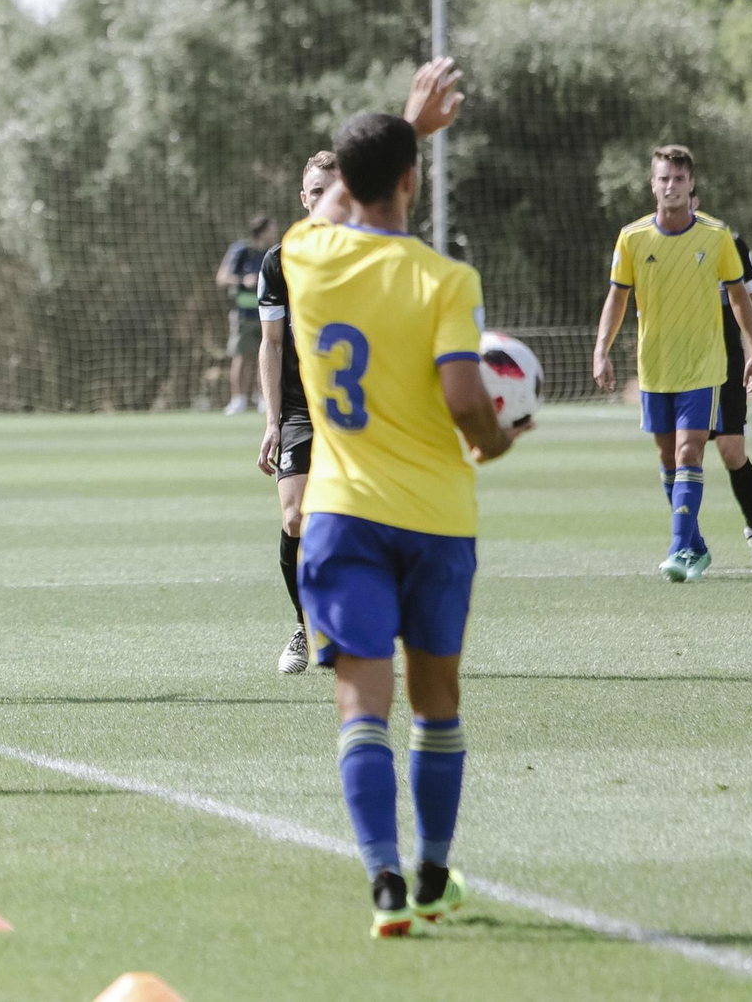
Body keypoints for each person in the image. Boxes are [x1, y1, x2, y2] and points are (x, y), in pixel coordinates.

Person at [282, 58, 528, 937]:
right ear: (414, 182)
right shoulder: (444, 279)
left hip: (342, 512)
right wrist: (498, 442)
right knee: (437, 703)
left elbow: (341, 204)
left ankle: (382, 879)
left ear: (340, 180)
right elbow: (467, 398)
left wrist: (405, 129)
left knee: (361, 703)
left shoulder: (303, 257)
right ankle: (431, 874)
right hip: (435, 517)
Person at [593, 146, 752, 582]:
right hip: (655, 367)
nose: (671, 186)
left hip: (704, 366)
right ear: (653, 185)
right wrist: (601, 349)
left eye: (679, 179)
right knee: (669, 458)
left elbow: (742, 298)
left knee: (697, 451)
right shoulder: (631, 238)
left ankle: (681, 548)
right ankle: (697, 545)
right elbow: (617, 297)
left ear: (691, 186)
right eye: (663, 179)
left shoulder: (718, 236)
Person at [256, 150, 339, 674]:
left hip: (358, 408)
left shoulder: (367, 256)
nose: (323, 198)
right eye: (315, 190)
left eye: (334, 189)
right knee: (295, 517)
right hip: (298, 408)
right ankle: (305, 626)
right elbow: (271, 344)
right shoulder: (279, 259)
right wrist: (270, 420)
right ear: (302, 197)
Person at [689, 194, 752, 563]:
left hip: (726, 361)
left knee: (732, 451)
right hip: (678, 364)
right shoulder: (651, 243)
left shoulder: (728, 242)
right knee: (687, 451)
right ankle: (687, 542)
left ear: (695, 198)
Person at [219, 216, 279, 414]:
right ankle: (238, 400)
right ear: (261, 231)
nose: (275, 231)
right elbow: (222, 278)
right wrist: (244, 280)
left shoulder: (273, 253)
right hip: (244, 315)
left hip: (268, 315)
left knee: (267, 353)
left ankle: (264, 398)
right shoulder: (241, 251)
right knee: (242, 356)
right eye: (272, 228)